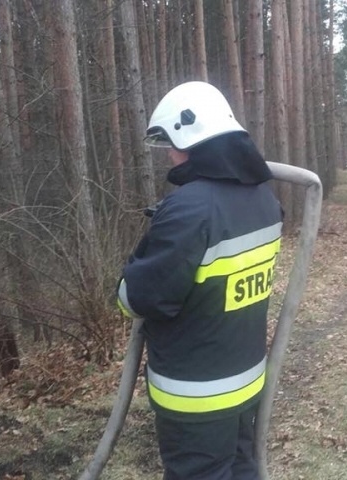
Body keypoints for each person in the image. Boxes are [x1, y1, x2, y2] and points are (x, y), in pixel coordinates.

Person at [116, 81, 283, 479]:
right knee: (243, 471)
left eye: (171, 144)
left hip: (196, 397)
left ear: (190, 138)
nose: (170, 156)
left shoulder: (189, 209)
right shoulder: (264, 199)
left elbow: (139, 299)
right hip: (246, 383)